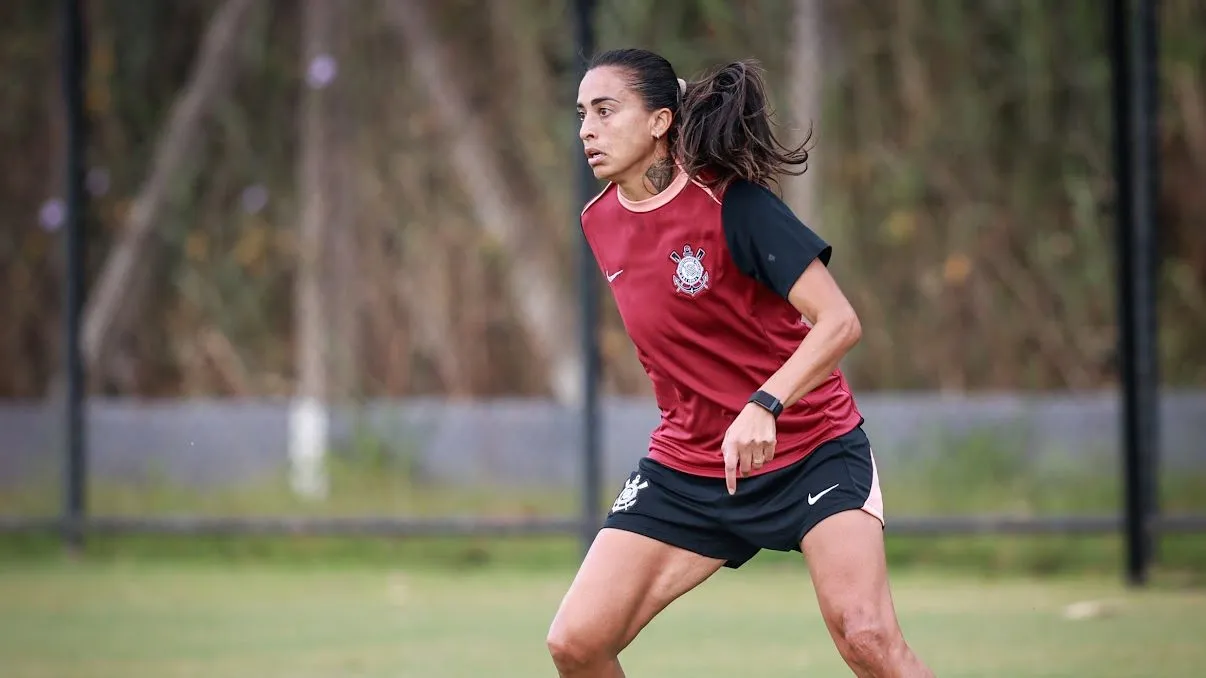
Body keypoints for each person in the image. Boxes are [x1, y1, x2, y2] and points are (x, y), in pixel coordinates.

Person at [547, 48, 934, 678]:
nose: (587, 129)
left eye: (606, 110)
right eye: (582, 113)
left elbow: (840, 323)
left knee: (866, 638)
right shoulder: (599, 222)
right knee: (575, 642)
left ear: (660, 121)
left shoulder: (734, 206)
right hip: (691, 465)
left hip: (810, 447)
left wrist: (765, 403)